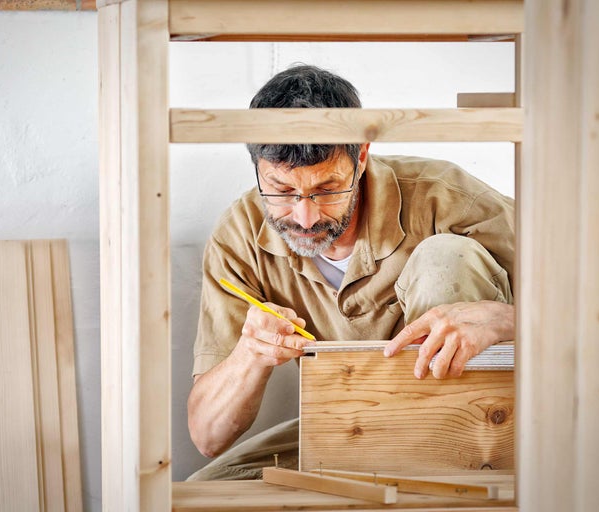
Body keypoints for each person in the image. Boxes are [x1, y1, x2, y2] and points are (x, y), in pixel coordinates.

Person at [186, 64, 515, 481]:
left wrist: (507, 319)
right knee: (208, 490)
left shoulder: (448, 197)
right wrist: (250, 355)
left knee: (444, 259)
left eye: (327, 189)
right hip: (352, 426)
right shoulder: (238, 236)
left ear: (361, 156)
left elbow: (592, 315)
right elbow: (206, 435)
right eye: (283, 191)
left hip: (480, 429)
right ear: (256, 166)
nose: (305, 218)